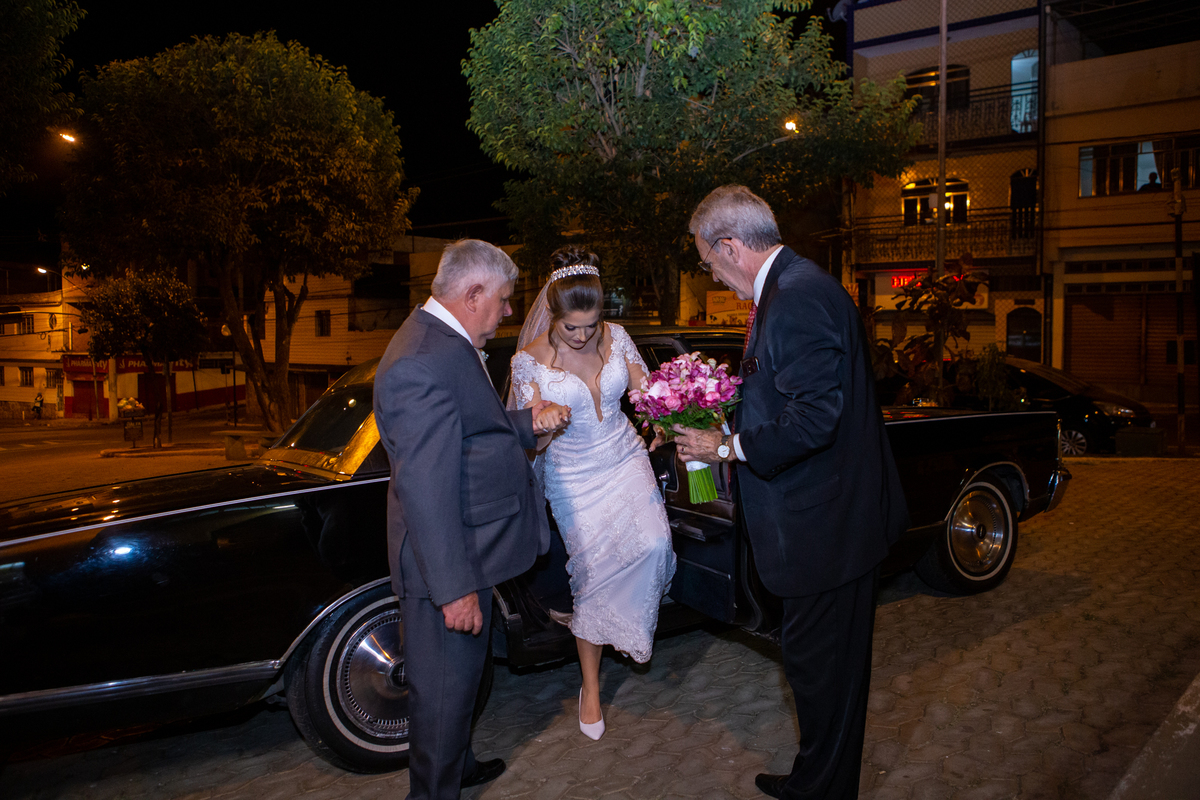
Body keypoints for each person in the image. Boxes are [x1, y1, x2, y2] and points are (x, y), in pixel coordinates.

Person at [672, 186, 909, 799]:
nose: (711, 275)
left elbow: (814, 419)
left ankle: (823, 787)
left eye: (707, 261)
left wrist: (727, 448)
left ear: (730, 246)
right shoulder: (795, 286)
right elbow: (789, 395)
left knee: (822, 670)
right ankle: (819, 778)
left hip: (824, 529)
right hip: (830, 523)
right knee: (822, 671)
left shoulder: (796, 296)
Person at [374, 239, 570, 800]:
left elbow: (469, 432)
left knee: (460, 685)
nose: (508, 311)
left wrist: (525, 423)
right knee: (440, 700)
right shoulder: (420, 361)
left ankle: (458, 768)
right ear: (473, 293)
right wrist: (454, 589)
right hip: (447, 562)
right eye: (503, 300)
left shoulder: (445, 341)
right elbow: (426, 488)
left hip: (469, 548)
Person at [509, 246, 676, 740]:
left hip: (624, 456)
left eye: (590, 324)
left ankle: (626, 624)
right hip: (574, 476)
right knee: (594, 576)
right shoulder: (528, 362)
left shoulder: (617, 337)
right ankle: (591, 686)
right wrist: (545, 423)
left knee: (654, 544)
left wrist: (664, 418)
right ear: (552, 314)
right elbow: (533, 443)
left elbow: (646, 394)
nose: (582, 336)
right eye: (571, 328)